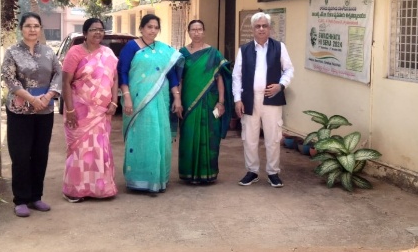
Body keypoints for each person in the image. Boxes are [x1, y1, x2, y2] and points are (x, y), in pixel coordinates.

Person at [1, 12, 62, 217]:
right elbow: (9, 79)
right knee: (20, 155)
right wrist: (31, 99)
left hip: (44, 109)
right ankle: (21, 199)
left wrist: (48, 96)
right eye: (28, 26)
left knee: (40, 154)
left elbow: (59, 74)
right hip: (20, 110)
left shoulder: (48, 52)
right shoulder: (12, 52)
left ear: (40, 29)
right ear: (21, 29)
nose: (32, 29)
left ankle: (36, 197)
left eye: (36, 26)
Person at [117, 14, 183, 193]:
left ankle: (157, 179)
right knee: (141, 137)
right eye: (149, 27)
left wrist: (177, 97)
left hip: (160, 99)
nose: (153, 30)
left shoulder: (163, 50)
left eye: (156, 27)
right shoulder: (131, 47)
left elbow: (171, 74)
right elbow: (122, 71)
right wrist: (127, 96)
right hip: (138, 100)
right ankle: (138, 179)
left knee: (158, 137)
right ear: (141, 28)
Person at [232, 12, 294, 188]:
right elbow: (237, 76)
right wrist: (237, 99)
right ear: (253, 29)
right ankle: (252, 171)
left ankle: (273, 172)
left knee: (273, 137)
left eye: (264, 26)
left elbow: (289, 69)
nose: (261, 29)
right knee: (249, 137)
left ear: (269, 28)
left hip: (272, 98)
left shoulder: (279, 47)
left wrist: (280, 85)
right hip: (249, 99)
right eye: (258, 26)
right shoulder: (244, 49)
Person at [61, 18, 119, 203]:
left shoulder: (108, 53)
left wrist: (114, 101)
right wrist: (70, 110)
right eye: (93, 29)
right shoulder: (75, 52)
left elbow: (114, 78)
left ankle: (101, 188)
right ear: (85, 33)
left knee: (100, 149)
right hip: (80, 111)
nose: (98, 33)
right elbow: (66, 82)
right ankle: (75, 190)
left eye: (101, 29)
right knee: (80, 150)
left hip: (101, 112)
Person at [178, 20, 233, 184]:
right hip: (188, 102)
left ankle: (207, 173)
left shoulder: (213, 53)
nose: (196, 32)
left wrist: (221, 102)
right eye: (193, 29)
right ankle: (188, 173)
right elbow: (179, 79)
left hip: (210, 102)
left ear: (204, 31)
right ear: (188, 32)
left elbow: (219, 79)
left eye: (199, 29)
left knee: (210, 136)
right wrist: (178, 100)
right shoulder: (182, 53)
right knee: (189, 136)